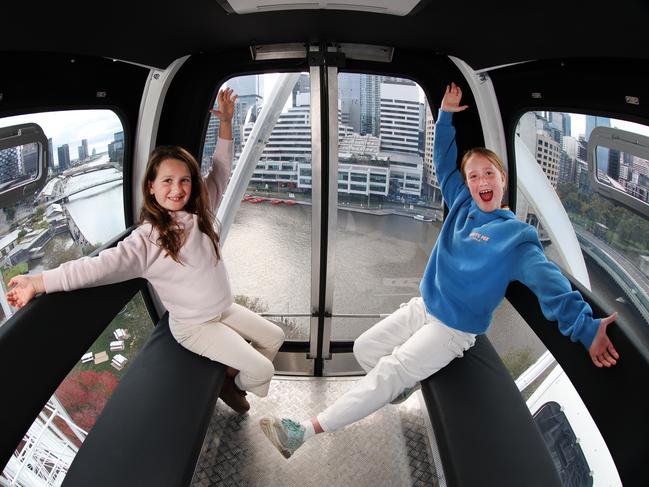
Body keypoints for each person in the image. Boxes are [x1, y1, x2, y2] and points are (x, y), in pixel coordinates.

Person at [259, 82, 620, 459]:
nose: (481, 182)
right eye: (474, 176)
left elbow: (551, 285)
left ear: (503, 180)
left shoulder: (516, 238)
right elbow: (443, 158)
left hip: (453, 331)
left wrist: (587, 328)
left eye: (489, 174)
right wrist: (445, 115)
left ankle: (305, 431)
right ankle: (401, 386)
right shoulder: (461, 203)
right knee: (366, 349)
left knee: (390, 371)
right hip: (424, 307)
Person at [6, 87, 285, 414]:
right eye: (167, 181)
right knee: (263, 370)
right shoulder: (147, 240)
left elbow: (221, 169)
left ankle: (232, 376)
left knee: (275, 337)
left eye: (184, 181)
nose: (177, 189)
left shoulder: (201, 211)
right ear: (151, 187)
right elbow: (92, 268)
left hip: (222, 310)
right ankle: (234, 385)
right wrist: (37, 282)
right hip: (195, 327)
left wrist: (226, 122)